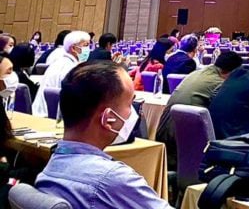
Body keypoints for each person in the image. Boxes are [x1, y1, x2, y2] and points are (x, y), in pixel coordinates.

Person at [34, 62, 170, 208]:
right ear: (109, 118)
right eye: (130, 104)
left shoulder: (48, 166)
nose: (134, 113)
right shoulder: (112, 179)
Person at [156, 50, 242, 169]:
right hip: (185, 149)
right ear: (233, 72)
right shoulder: (219, 83)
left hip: (164, 141)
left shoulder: (196, 74)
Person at [33, 31, 90, 116]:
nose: (88, 49)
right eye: (86, 45)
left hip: (39, 113)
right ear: (73, 48)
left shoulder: (58, 63)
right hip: (53, 117)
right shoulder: (72, 69)